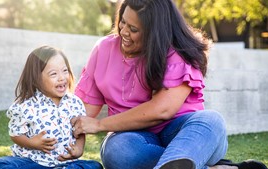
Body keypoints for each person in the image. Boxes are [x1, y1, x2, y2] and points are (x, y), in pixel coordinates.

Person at [71, 0, 267, 169]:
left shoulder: (180, 51)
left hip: (185, 134)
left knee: (211, 121)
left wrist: (99, 125)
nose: (124, 32)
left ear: (155, 32)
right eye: (123, 22)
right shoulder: (104, 48)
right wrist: (56, 131)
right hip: (134, 138)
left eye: (134, 29)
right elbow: (84, 107)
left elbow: (162, 110)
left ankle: (182, 160)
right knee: (116, 150)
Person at [0, 45, 103, 169]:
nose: (62, 77)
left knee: (95, 166)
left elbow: (80, 131)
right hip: (32, 162)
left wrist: (79, 149)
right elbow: (15, 133)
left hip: (65, 163)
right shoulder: (26, 105)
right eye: (53, 74)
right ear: (36, 79)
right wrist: (32, 143)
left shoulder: (75, 103)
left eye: (65, 71)